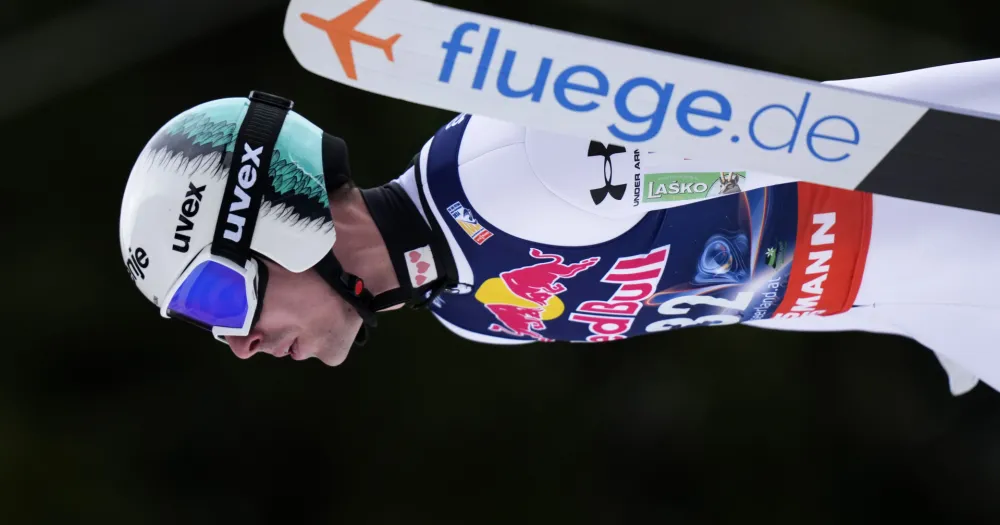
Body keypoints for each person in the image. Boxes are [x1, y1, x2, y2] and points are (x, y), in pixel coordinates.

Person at [119, 58, 1000, 396]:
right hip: (940, 291)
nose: (238, 343)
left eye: (212, 296)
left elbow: (790, 136)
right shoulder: (474, 314)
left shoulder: (513, 168)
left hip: (957, 199)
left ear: (279, 218)